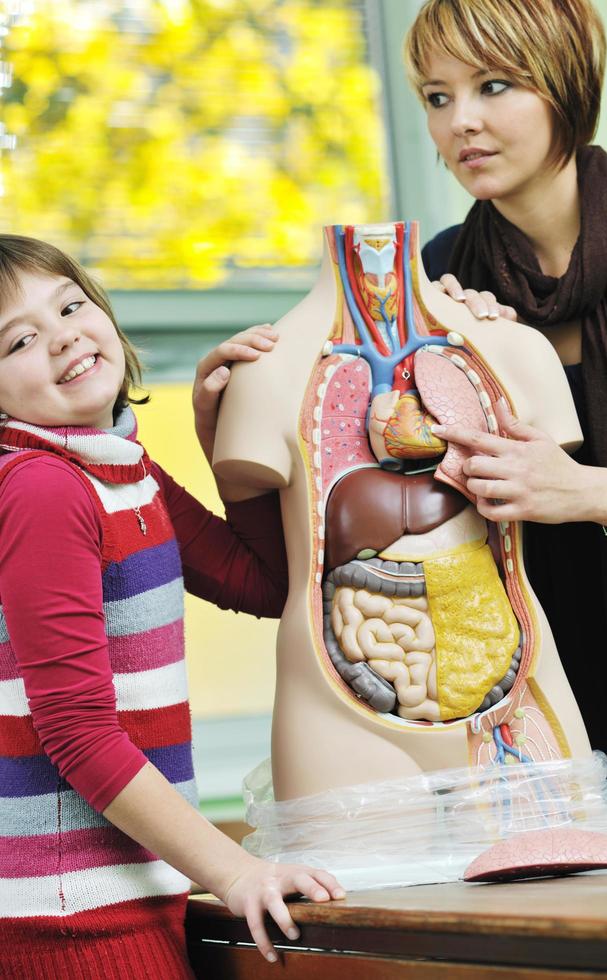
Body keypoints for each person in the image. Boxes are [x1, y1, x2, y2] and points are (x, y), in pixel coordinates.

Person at [0, 234, 344, 979]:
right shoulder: (44, 489)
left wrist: (220, 443)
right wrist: (235, 871)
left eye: (69, 305)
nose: (61, 335)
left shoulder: (120, 470)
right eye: (20, 339)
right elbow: (76, 732)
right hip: (69, 929)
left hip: (124, 908)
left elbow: (264, 582)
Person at [404, 0, 607, 820]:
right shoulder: (441, 275)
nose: (460, 123)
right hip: (538, 714)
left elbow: (566, 489)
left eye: (494, 85)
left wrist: (587, 492)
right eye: (437, 97)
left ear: (565, 86)